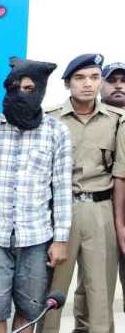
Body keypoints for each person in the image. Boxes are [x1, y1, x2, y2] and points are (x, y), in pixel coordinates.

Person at [0, 57, 72, 333]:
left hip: (37, 236)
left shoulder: (56, 132)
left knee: (29, 308)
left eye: (28, 89)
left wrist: (61, 239)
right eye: (14, 88)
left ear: (40, 90)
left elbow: (62, 188)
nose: (20, 94)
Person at [42, 54, 125, 333]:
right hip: (59, 212)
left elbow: (120, 174)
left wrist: (119, 224)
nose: (87, 84)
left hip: (100, 210)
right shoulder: (50, 119)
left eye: (94, 77)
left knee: (100, 291)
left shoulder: (117, 120)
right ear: (67, 83)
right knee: (52, 291)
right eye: (79, 78)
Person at [101, 62, 125, 313]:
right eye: (112, 80)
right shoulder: (87, 119)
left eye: (123, 80)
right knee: (96, 291)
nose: (119, 85)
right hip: (97, 212)